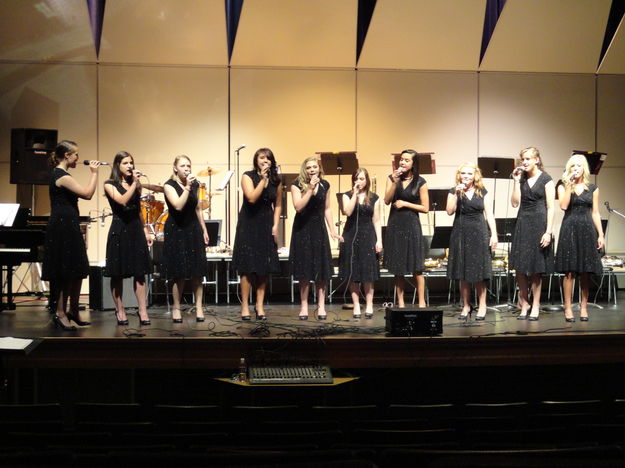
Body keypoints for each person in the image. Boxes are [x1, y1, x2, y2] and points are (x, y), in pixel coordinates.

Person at [41, 140, 101, 331]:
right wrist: (94, 173)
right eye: (76, 154)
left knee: (77, 269)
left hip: (69, 225)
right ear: (67, 155)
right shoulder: (61, 176)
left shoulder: (64, 174)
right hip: (61, 228)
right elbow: (87, 194)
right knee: (63, 272)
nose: (78, 158)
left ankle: (73, 310)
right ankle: (60, 312)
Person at [103, 151, 153, 326]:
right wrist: (135, 184)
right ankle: (120, 309)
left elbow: (138, 209)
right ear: (118, 165)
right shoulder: (109, 184)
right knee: (117, 273)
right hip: (120, 229)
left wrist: (145, 229)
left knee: (139, 273)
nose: (130, 166)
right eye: (125, 163)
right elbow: (122, 200)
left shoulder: (135, 185)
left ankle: (142, 310)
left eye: (131, 162)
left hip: (135, 229)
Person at [232, 148, 282, 320]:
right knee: (246, 267)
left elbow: (278, 204)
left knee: (263, 267)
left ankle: (259, 305)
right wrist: (262, 179)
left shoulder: (276, 180)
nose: (265, 160)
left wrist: (275, 225)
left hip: (266, 223)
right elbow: (252, 198)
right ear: (256, 160)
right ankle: (245, 305)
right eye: (262, 157)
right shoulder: (248, 176)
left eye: (268, 158)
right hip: (248, 223)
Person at [289, 157, 341, 320]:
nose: (312, 169)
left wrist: (333, 230)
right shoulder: (296, 184)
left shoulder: (325, 185)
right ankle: (304, 306)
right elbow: (298, 207)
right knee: (304, 270)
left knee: (321, 270)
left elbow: (327, 209)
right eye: (309, 167)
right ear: (305, 169)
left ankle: (321, 306)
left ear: (319, 168)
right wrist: (310, 189)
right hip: (302, 229)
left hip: (319, 229)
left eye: (314, 167)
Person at [555, 154, 604, 322]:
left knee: (585, 271)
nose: (575, 168)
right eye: (572, 166)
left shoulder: (593, 188)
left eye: (578, 166)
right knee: (569, 271)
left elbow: (595, 212)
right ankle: (567, 308)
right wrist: (569, 185)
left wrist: (601, 234)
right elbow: (563, 205)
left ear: (584, 169)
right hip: (569, 229)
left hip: (587, 230)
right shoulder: (562, 186)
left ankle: (583, 307)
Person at [446, 162, 498, 320]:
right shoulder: (454, 191)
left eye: (469, 173)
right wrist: (456, 194)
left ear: (475, 175)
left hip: (479, 232)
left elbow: (489, 214)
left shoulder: (482, 191)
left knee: (479, 272)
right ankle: (466, 305)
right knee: (463, 272)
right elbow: (449, 211)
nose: (466, 176)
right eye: (463, 173)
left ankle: (482, 305)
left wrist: (494, 234)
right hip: (460, 233)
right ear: (459, 175)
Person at [509, 147, 555, 321]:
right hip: (522, 223)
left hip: (539, 224)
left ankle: (535, 304)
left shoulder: (546, 179)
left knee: (536, 269)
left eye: (528, 159)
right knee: (520, 268)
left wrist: (548, 232)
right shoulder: (521, 179)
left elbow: (551, 207)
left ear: (537, 160)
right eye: (523, 159)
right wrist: (515, 181)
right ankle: (524, 302)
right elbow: (514, 203)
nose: (525, 162)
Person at [162, 155, 209, 323]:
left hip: (193, 228)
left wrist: (204, 229)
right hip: (177, 229)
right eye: (182, 166)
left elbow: (198, 208)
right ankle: (176, 307)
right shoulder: (169, 185)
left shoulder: (195, 184)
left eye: (188, 165)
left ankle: (198, 307)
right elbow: (178, 206)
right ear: (175, 168)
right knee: (178, 272)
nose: (186, 168)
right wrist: (187, 187)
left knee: (197, 271)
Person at [383, 149, 429, 307]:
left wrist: (405, 203)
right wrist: (395, 182)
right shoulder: (391, 178)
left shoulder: (421, 182)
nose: (402, 162)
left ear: (414, 163)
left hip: (412, 225)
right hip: (395, 224)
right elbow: (387, 200)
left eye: (407, 160)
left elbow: (425, 208)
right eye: (401, 159)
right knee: (399, 267)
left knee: (417, 267)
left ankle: (421, 302)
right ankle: (401, 303)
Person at [339, 168, 382, 319]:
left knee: (368, 273)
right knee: (353, 272)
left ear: (367, 180)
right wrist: (355, 195)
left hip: (368, 235)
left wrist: (379, 240)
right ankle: (356, 304)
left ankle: (369, 304)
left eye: (362, 178)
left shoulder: (374, 198)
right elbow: (348, 212)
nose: (360, 181)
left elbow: (376, 220)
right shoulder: (347, 195)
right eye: (357, 178)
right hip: (350, 236)